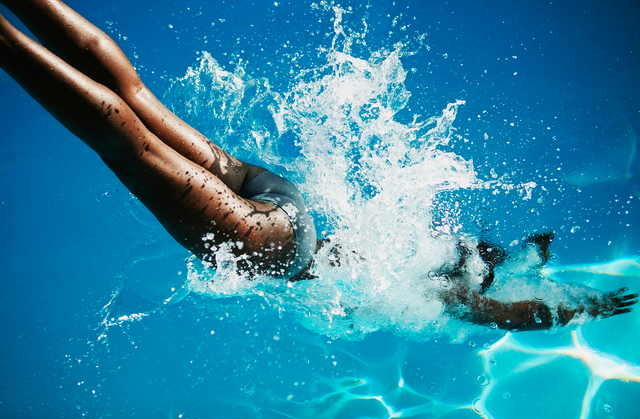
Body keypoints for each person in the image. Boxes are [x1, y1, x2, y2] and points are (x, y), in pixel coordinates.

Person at [1, 0, 636, 332]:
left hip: (280, 198)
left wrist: (530, 252)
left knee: (139, 98)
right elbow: (515, 314)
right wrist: (587, 309)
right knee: (129, 147)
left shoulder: (422, 237)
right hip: (271, 245)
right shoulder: (434, 290)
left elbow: (509, 269)